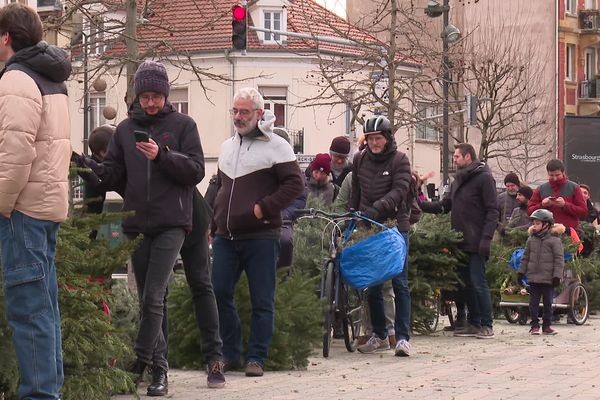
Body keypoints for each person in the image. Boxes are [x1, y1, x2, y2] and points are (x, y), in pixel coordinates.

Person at [85, 60, 205, 396]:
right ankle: (159, 371)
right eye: (145, 96)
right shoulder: (124, 130)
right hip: (136, 222)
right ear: (137, 96)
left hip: (173, 222)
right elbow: (114, 175)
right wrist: (88, 165)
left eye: (156, 96)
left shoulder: (183, 125)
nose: (150, 103)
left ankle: (140, 362)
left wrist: (162, 155)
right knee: (151, 301)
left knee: (153, 295)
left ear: (166, 95)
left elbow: (196, 170)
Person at [77, 134, 226, 389]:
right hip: (159, 226)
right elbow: (95, 200)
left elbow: (184, 170)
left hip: (189, 218)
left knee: (199, 285)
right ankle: (160, 367)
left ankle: (214, 360)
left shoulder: (143, 149)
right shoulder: (109, 167)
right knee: (157, 295)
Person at [0, 5, 71, 399]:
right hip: (44, 205)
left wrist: (2, 204)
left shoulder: (16, 79)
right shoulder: (50, 78)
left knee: (28, 312)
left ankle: (41, 395)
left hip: (22, 209)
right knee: (44, 310)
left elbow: (14, 152)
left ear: (7, 37)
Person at [211, 87, 304, 377]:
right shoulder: (228, 146)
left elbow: (295, 185)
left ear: (260, 113)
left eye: (244, 112)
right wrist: (212, 223)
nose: (238, 117)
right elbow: (220, 188)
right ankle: (231, 352)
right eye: (235, 111)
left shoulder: (277, 146)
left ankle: (257, 357)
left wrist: (263, 208)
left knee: (262, 299)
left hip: (261, 237)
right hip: (226, 237)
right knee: (218, 291)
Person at [419, 143, 498, 339]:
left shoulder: (484, 178)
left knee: (478, 282)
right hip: (459, 241)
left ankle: (487, 324)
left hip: (477, 240)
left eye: (456, 157)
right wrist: (419, 204)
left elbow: (493, 210)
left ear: (468, 157)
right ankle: (473, 323)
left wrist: (486, 238)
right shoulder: (457, 181)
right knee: (465, 284)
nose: (454, 160)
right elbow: (445, 206)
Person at [349, 115, 413, 357]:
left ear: (387, 138)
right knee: (373, 282)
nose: (374, 143)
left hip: (395, 225)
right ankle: (379, 334)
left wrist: (378, 207)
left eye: (378, 138)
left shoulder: (400, 160)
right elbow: (356, 189)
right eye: (371, 138)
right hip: (368, 225)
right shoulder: (359, 159)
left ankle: (403, 338)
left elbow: (400, 190)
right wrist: (352, 215)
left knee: (399, 281)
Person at [517, 209, 564, 335]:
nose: (534, 226)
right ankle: (534, 325)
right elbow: (525, 257)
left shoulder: (554, 241)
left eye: (537, 223)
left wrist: (557, 276)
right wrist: (521, 272)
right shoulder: (531, 239)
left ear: (546, 225)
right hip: (533, 278)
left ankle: (547, 325)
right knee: (533, 303)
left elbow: (559, 260)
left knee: (548, 303)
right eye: (534, 223)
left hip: (548, 278)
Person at [528, 159, 587, 232]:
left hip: (568, 232)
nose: (554, 178)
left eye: (557, 175)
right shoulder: (541, 189)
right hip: (545, 233)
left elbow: (583, 211)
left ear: (563, 173)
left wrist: (565, 205)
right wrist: (542, 205)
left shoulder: (574, 188)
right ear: (548, 173)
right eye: (551, 175)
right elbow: (530, 211)